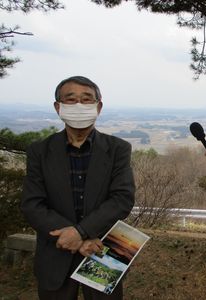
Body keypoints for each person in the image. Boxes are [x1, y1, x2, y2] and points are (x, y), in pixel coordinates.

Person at [21, 76, 135, 300]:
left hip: (103, 249)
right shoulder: (39, 151)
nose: (79, 106)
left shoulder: (118, 149)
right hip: (56, 250)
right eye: (70, 100)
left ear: (98, 106)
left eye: (87, 99)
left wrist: (80, 232)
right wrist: (77, 238)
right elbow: (32, 204)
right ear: (58, 107)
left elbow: (122, 199)